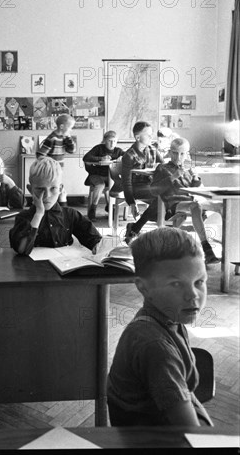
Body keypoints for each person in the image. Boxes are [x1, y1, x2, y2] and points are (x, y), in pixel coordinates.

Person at [107, 228, 213, 427]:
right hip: (156, 441)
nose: (192, 295)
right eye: (175, 284)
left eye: (199, 282)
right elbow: (190, 430)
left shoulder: (170, 316)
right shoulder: (155, 345)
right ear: (143, 287)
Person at [150, 138, 222, 264]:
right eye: (175, 153)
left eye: (182, 153)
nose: (178, 157)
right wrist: (172, 177)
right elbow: (154, 191)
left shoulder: (187, 169)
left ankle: (229, 249)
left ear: (186, 154)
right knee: (196, 206)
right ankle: (207, 248)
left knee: (223, 207)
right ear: (170, 152)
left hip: (191, 201)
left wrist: (196, 178)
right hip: (174, 204)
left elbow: (193, 188)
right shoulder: (162, 168)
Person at [9, 157, 102, 255]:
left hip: (64, 266)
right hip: (33, 268)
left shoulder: (71, 215)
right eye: (40, 189)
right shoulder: (23, 217)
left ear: (60, 189)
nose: (47, 195)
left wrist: (97, 246)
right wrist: (38, 214)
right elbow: (21, 250)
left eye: (53, 188)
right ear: (30, 189)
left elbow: (95, 240)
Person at [122, 121, 164, 244]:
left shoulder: (153, 150)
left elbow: (164, 165)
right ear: (138, 137)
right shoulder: (129, 155)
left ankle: (135, 228)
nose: (151, 137)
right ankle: (138, 228)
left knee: (166, 199)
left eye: (152, 134)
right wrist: (131, 202)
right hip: (137, 188)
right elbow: (126, 182)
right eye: (148, 135)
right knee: (162, 198)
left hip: (151, 186)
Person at [82, 130, 125, 221]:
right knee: (100, 185)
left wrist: (123, 158)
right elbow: (86, 157)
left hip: (110, 176)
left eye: (114, 141)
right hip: (96, 175)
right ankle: (92, 209)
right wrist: (100, 158)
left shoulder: (118, 151)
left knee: (114, 186)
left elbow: (128, 158)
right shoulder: (98, 148)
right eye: (109, 141)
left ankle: (110, 207)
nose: (112, 143)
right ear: (105, 141)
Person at [36, 113, 76, 206]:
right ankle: (56, 207)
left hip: (59, 170)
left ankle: (57, 207)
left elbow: (72, 150)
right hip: (50, 171)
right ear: (62, 126)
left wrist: (69, 139)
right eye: (70, 127)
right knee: (54, 190)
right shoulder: (52, 138)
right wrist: (49, 166)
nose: (71, 130)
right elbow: (40, 154)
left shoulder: (64, 138)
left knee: (58, 189)